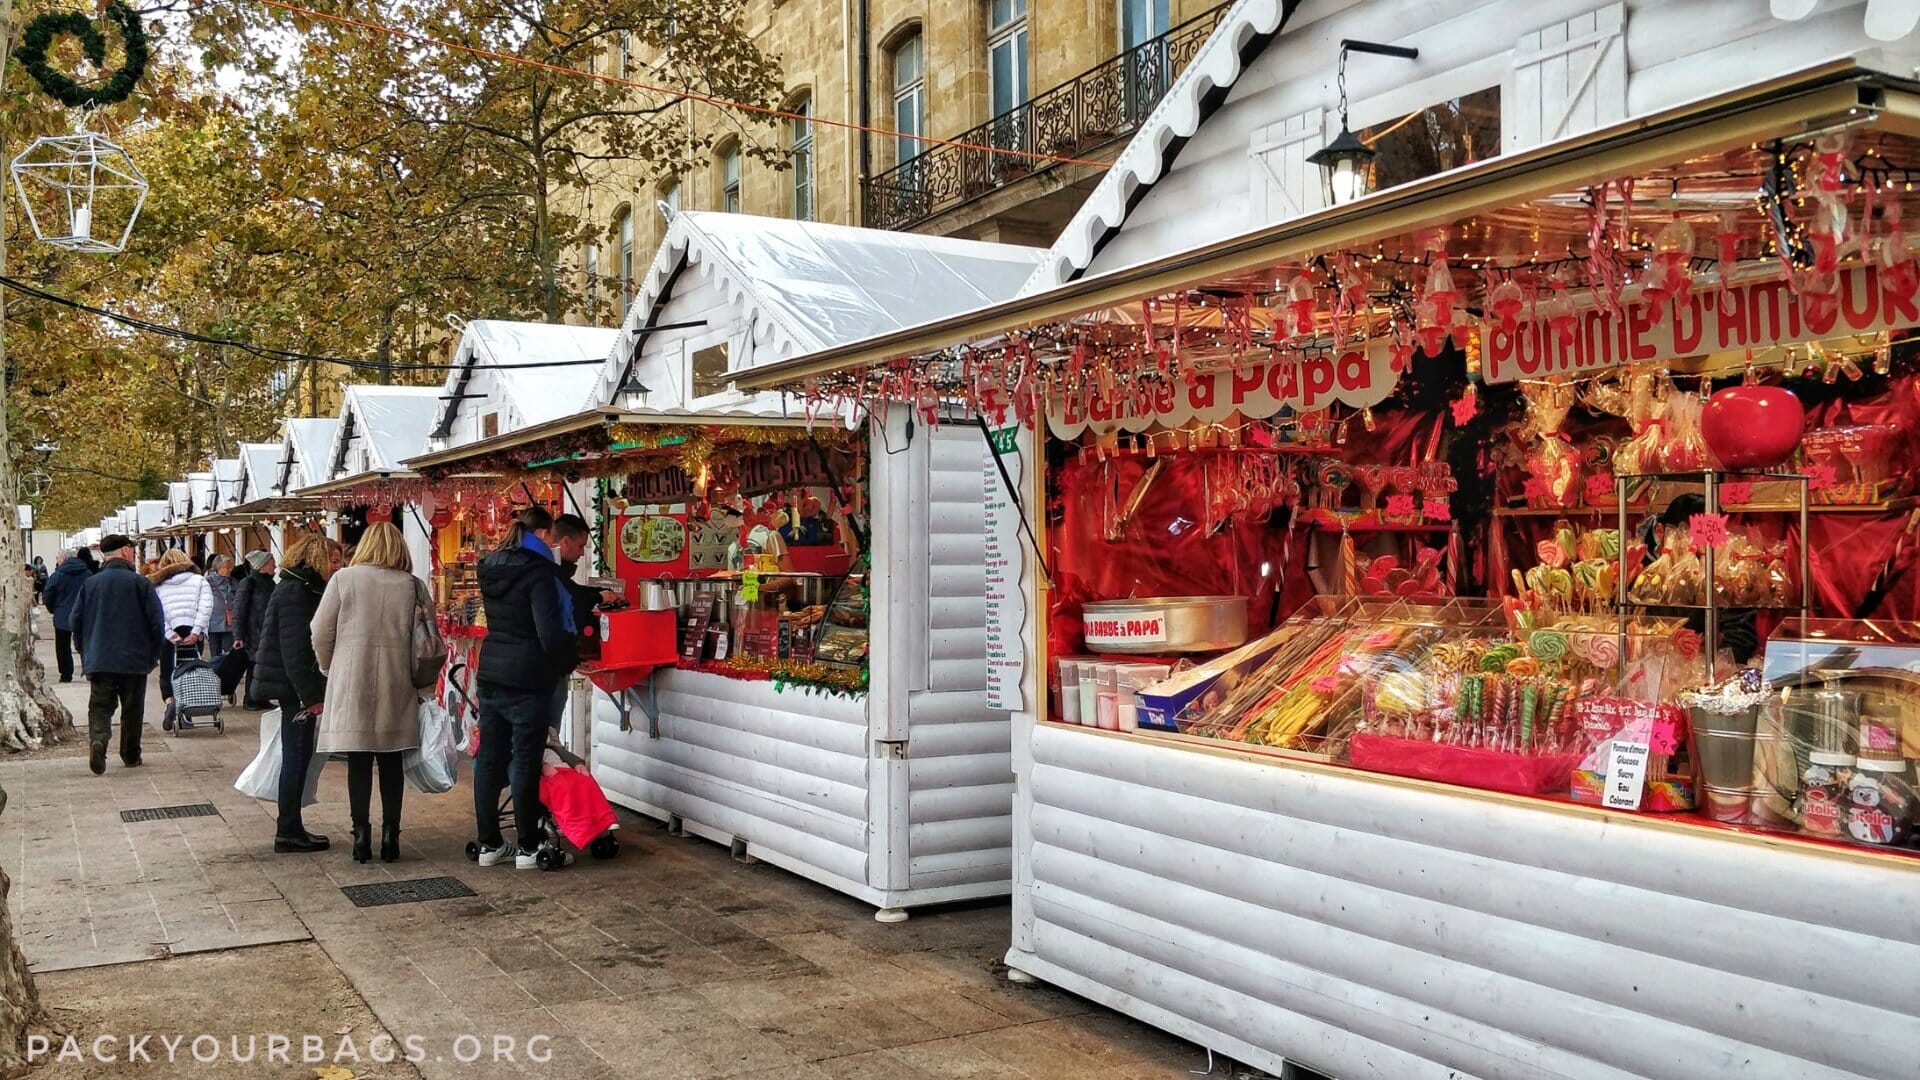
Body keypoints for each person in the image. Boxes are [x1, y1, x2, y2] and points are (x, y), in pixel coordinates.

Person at [310, 523, 425, 864]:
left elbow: (319, 629)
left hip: (351, 675)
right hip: (397, 677)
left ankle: (361, 832)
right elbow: (427, 638)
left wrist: (330, 665)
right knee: (391, 760)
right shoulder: (412, 586)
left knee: (358, 760)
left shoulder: (344, 579)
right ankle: (392, 832)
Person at [473, 506, 578, 869]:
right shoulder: (540, 572)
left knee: (489, 757)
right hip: (528, 677)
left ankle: (489, 843)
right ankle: (529, 846)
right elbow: (550, 632)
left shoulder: (490, 566)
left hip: (491, 672)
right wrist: (566, 662)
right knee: (525, 759)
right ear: (545, 535)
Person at [250, 535, 339, 854]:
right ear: (318, 558)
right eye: (335, 560)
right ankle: (288, 829)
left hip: (290, 686)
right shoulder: (297, 591)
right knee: (296, 757)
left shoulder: (295, 586)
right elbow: (297, 649)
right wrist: (310, 695)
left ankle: (291, 825)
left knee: (297, 755)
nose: (337, 567)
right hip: (293, 689)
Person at [68, 535, 166, 776]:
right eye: (131, 550)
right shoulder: (140, 583)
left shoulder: (91, 584)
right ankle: (130, 754)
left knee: (100, 706)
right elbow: (157, 622)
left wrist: (85, 651)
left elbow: (74, 620)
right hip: (133, 659)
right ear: (124, 552)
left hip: (100, 658)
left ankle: (99, 740)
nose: (133, 554)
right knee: (132, 708)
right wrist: (153, 654)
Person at [1639, 493, 1760, 664]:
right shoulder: (1651, 576)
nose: (1701, 549)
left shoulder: (1727, 582)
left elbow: (1740, 640)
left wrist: (1707, 666)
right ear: (1662, 532)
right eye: (1689, 538)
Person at [149, 549, 213, 731]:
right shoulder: (199, 581)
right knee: (190, 671)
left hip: (170, 634)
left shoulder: (158, 585)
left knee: (167, 671)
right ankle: (187, 713)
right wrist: (197, 630)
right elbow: (206, 606)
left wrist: (169, 633)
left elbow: (156, 613)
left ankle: (170, 702)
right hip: (193, 630)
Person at [41, 549, 94, 682]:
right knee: (85, 643)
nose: (57, 561)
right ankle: (89, 670)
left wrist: (53, 608)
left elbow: (48, 594)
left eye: (58, 558)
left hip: (62, 614)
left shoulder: (58, 575)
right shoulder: (87, 573)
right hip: (83, 614)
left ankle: (66, 674)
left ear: (64, 558)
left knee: (62, 646)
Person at [232, 549, 276, 707]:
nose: (275, 566)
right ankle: (251, 699)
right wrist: (238, 636)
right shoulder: (248, 582)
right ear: (261, 565)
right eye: (271, 563)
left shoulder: (270, 583)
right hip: (253, 631)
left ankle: (262, 697)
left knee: (264, 665)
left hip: (266, 630)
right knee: (254, 666)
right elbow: (239, 609)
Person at [206, 554, 238, 659]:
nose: (230, 569)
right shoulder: (208, 582)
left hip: (229, 623)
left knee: (229, 653)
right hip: (213, 622)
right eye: (227, 567)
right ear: (219, 567)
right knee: (215, 654)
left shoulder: (233, 582)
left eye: (231, 567)